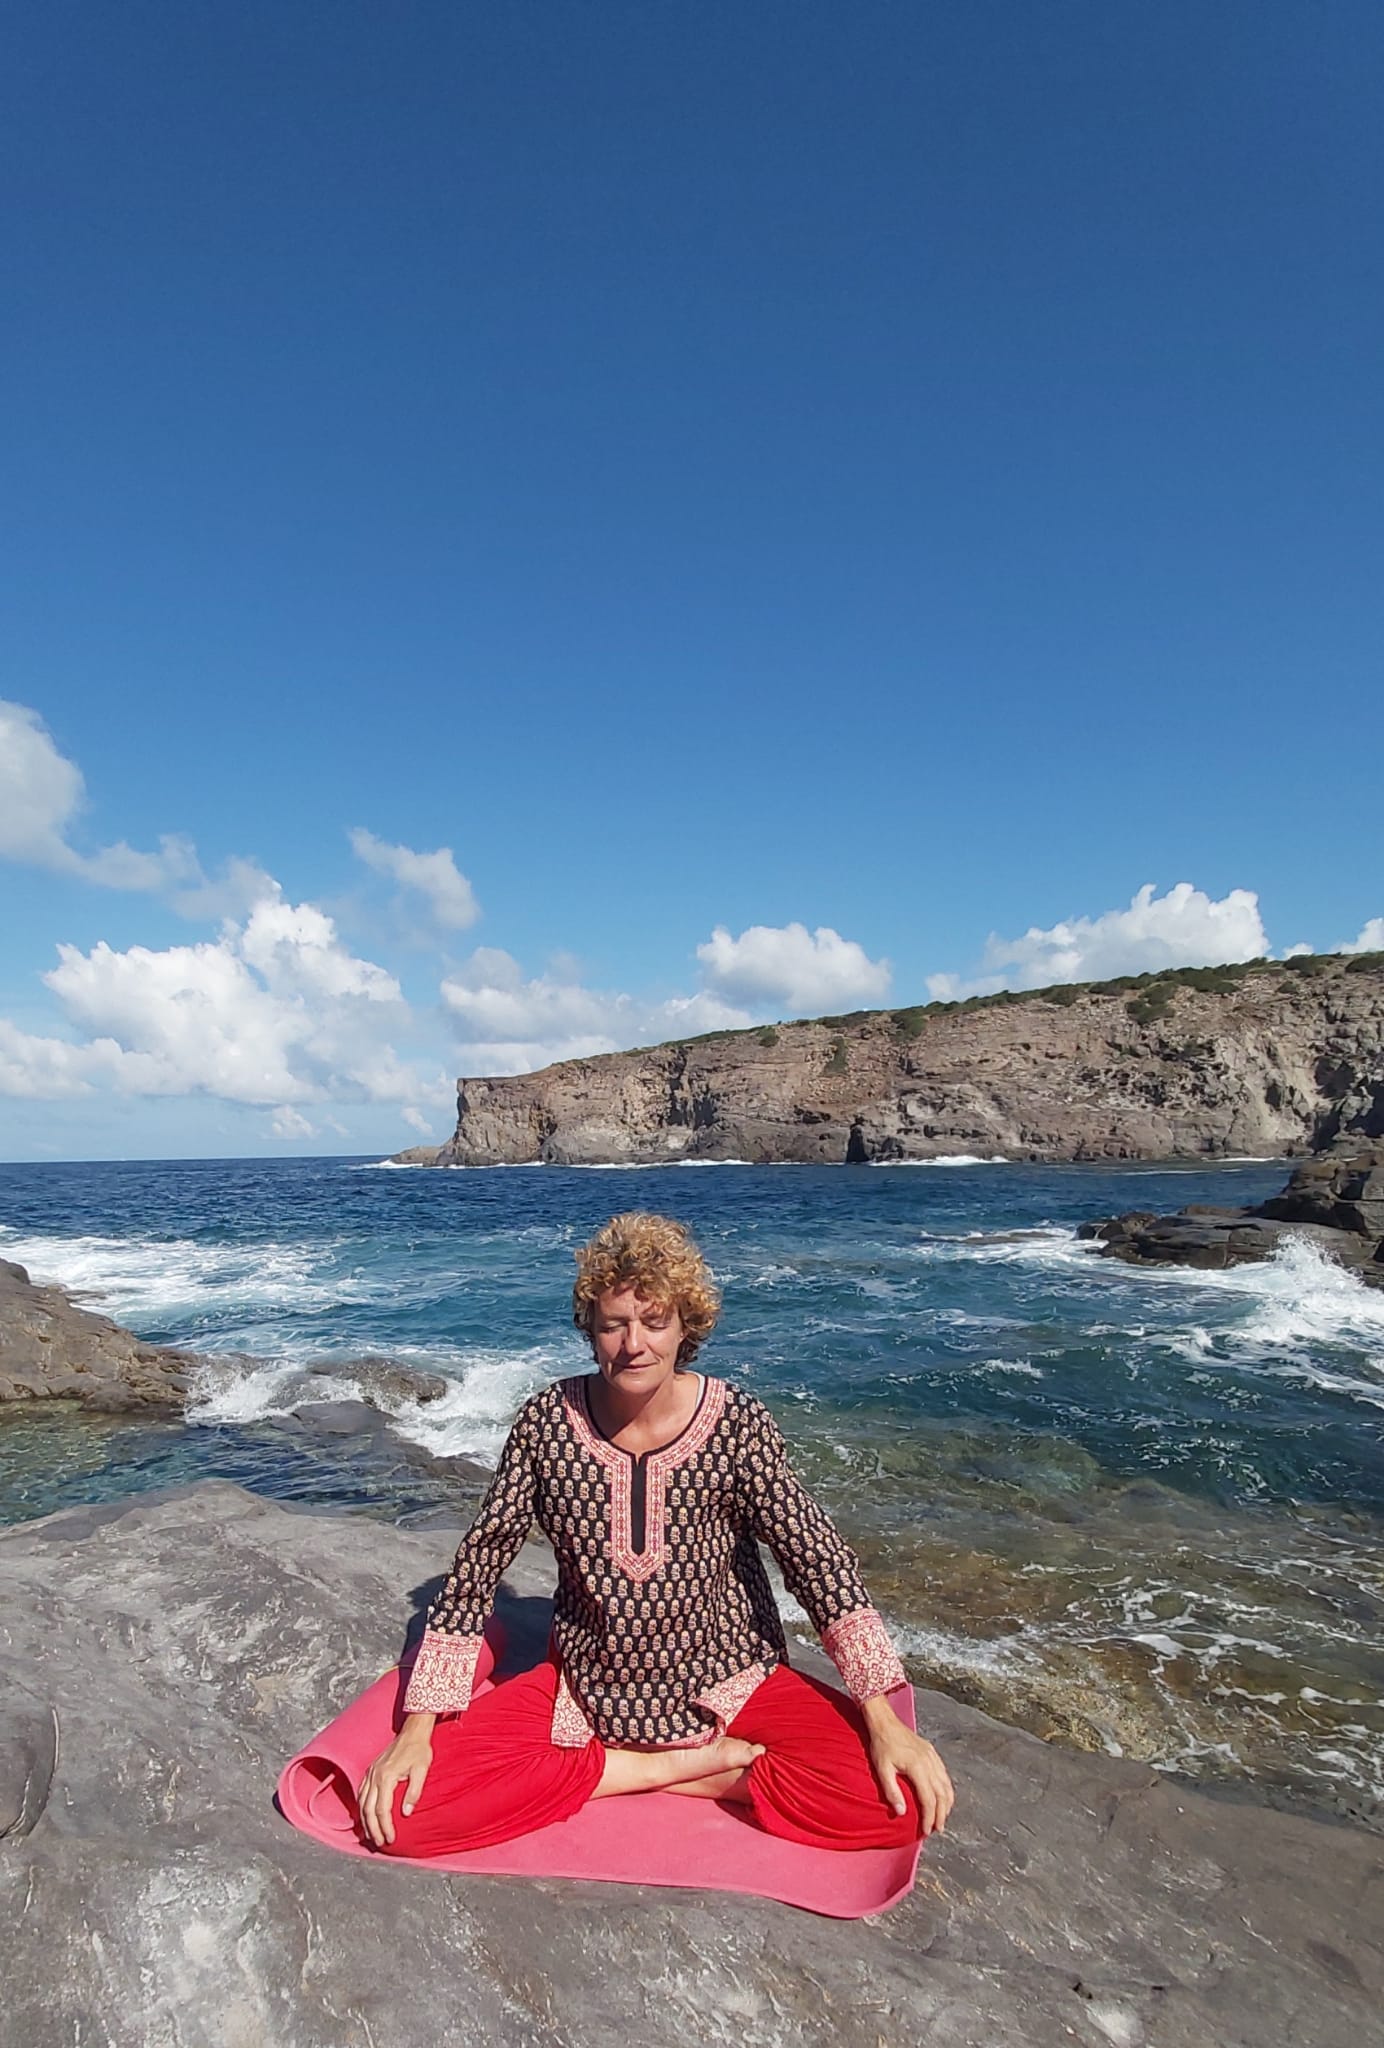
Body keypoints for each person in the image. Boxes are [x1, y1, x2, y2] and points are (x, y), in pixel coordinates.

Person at [358, 1212, 954, 1856]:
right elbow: (479, 1565)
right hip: (588, 1694)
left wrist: (882, 1717)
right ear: (590, 1331)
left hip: (730, 1683)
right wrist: (418, 1728)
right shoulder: (545, 1424)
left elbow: (814, 1558)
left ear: (685, 1328)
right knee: (402, 1812)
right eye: (614, 1324)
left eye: (654, 1322)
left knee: (897, 1809)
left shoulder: (737, 1424)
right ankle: (673, 1772)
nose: (633, 1344)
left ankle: (617, 1770)